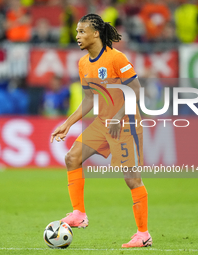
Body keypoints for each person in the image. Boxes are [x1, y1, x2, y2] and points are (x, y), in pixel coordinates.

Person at [50, 13, 152, 248]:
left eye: (82, 31)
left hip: (125, 124)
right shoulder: (83, 63)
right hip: (102, 123)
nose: (77, 36)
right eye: (76, 32)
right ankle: (79, 213)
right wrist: (67, 123)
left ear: (96, 33)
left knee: (132, 179)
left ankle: (143, 234)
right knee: (72, 157)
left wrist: (118, 117)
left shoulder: (116, 58)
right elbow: (88, 99)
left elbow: (136, 90)